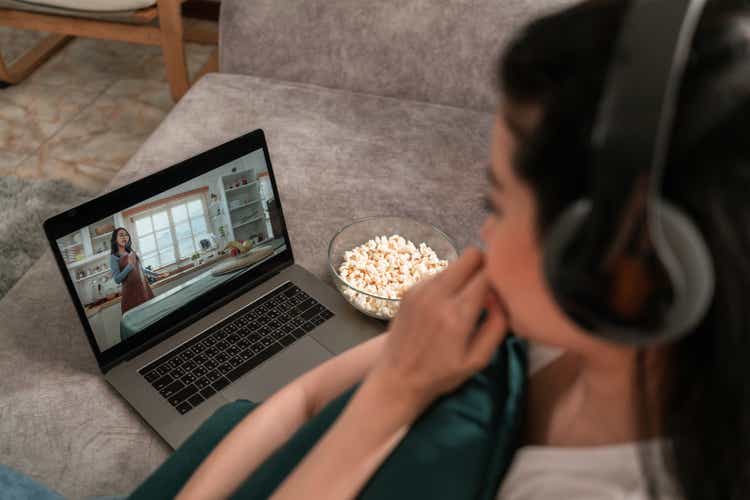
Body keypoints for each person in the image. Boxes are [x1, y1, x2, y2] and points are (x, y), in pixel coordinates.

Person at [136, 0, 749, 498]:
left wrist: (395, 391)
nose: (481, 239)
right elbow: (298, 400)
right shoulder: (530, 327)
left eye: (497, 206)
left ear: (616, 265)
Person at [109, 227, 169, 314]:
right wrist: (129, 266)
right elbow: (117, 280)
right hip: (130, 295)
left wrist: (157, 275)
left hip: (144, 290)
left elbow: (141, 270)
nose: (124, 237)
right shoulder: (113, 257)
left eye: (126, 235)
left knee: (152, 315)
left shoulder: (131, 252)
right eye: (121, 235)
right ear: (115, 239)